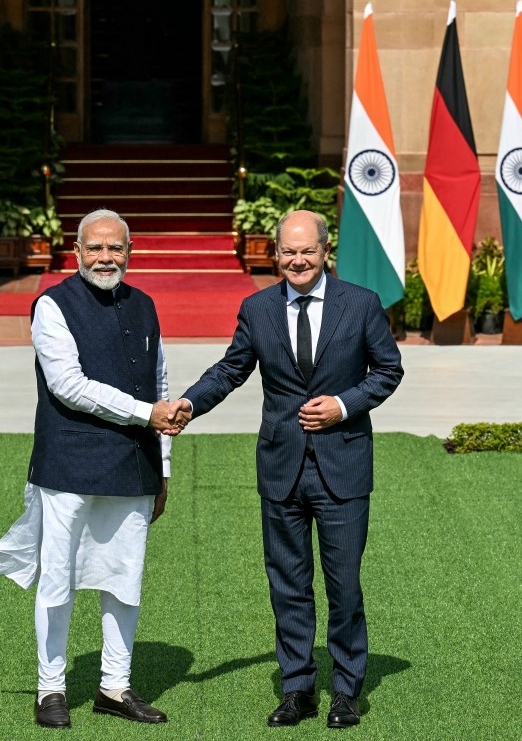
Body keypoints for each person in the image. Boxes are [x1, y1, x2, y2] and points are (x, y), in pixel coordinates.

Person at [170, 209, 402, 728]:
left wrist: (343, 405)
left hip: (343, 467)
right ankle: (297, 689)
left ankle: (346, 690)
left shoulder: (361, 305)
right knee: (287, 584)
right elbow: (232, 369)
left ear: (325, 251)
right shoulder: (257, 308)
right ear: (275, 254)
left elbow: (388, 370)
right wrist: (189, 404)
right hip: (281, 469)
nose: (298, 261)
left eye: (307, 251)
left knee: (343, 584)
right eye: (288, 252)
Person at [0, 208, 184, 729]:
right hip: (68, 462)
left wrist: (163, 469)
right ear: (78, 252)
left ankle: (115, 687)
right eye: (95, 248)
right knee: (58, 579)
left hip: (133, 463)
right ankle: (50, 689)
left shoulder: (145, 305)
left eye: (116, 248)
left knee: (124, 577)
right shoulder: (52, 304)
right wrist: (145, 414)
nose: (105, 257)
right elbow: (67, 385)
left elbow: (159, 381)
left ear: (130, 252)